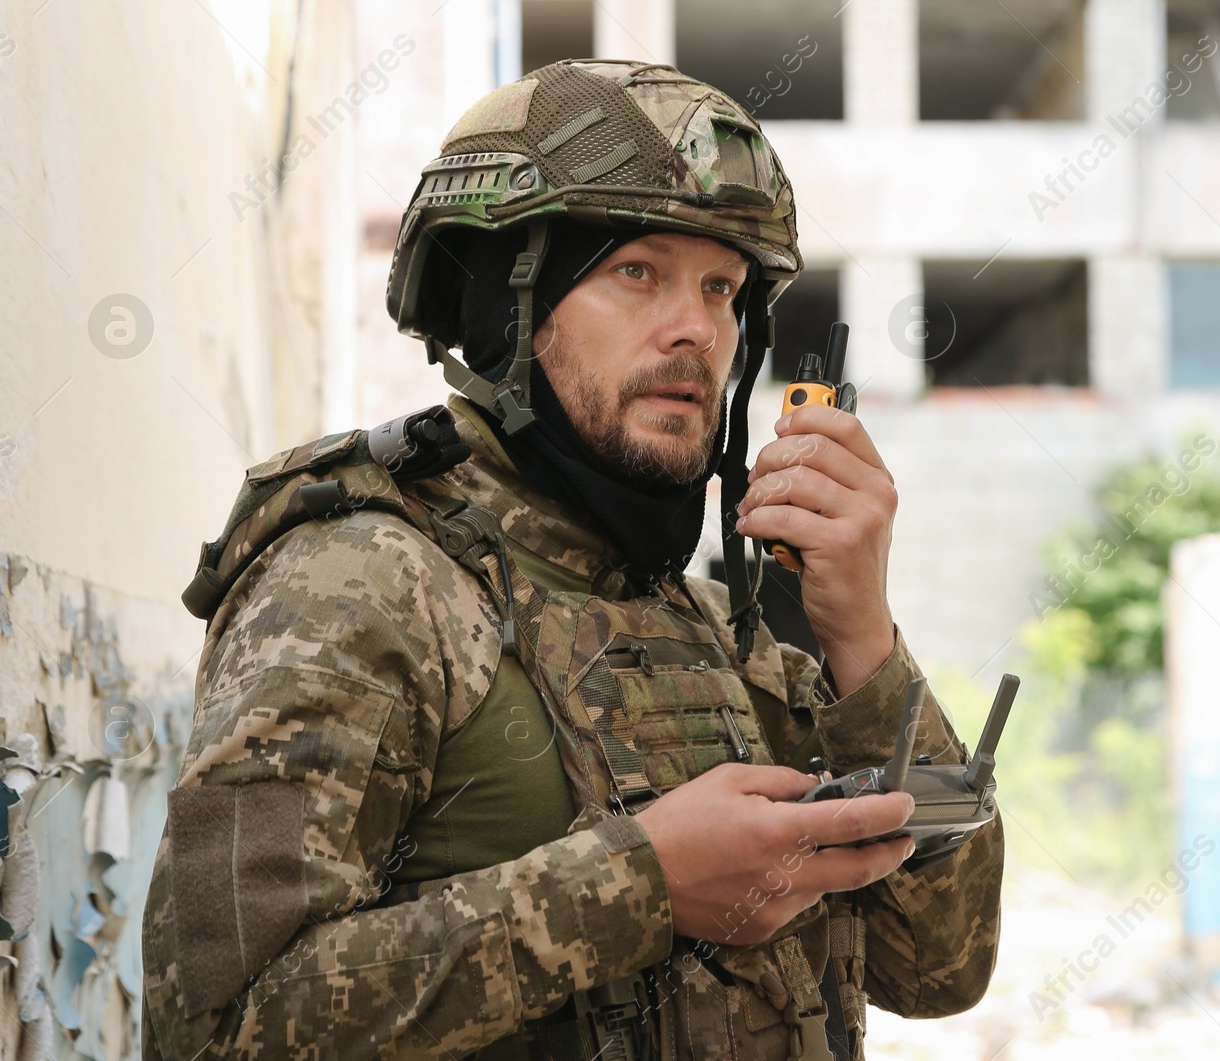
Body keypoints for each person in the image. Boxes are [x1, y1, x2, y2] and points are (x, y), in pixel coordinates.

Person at [142, 59, 1003, 1061]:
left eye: (722, 289)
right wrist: (639, 883)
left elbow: (939, 966)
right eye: (637, 272)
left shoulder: (716, 620)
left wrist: (859, 629)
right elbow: (217, 1025)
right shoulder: (363, 578)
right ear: (504, 311)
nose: (694, 329)